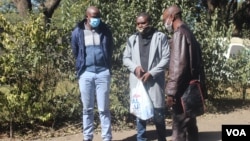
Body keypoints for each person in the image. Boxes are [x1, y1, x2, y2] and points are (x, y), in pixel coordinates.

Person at [123, 12, 170, 141]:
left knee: (158, 113)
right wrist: (135, 68)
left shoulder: (160, 37)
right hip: (138, 81)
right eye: (138, 23)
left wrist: (151, 73)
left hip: (154, 81)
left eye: (143, 23)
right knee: (140, 112)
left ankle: (162, 138)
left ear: (149, 22)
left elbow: (166, 59)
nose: (140, 26)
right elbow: (126, 58)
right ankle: (141, 138)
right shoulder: (132, 39)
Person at [163, 5, 208, 141]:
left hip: (182, 91)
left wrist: (170, 92)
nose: (165, 23)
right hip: (192, 89)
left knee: (179, 130)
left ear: (172, 17)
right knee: (191, 127)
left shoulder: (179, 34)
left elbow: (178, 66)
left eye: (165, 19)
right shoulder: (188, 31)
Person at [71, 6, 113, 141]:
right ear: (87, 16)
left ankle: (106, 138)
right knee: (87, 109)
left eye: (98, 16)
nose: (96, 19)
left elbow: (109, 49)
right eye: (93, 16)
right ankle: (87, 137)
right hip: (86, 73)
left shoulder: (105, 30)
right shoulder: (78, 32)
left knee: (104, 109)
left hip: (102, 73)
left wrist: (107, 67)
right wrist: (81, 68)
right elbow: (76, 51)